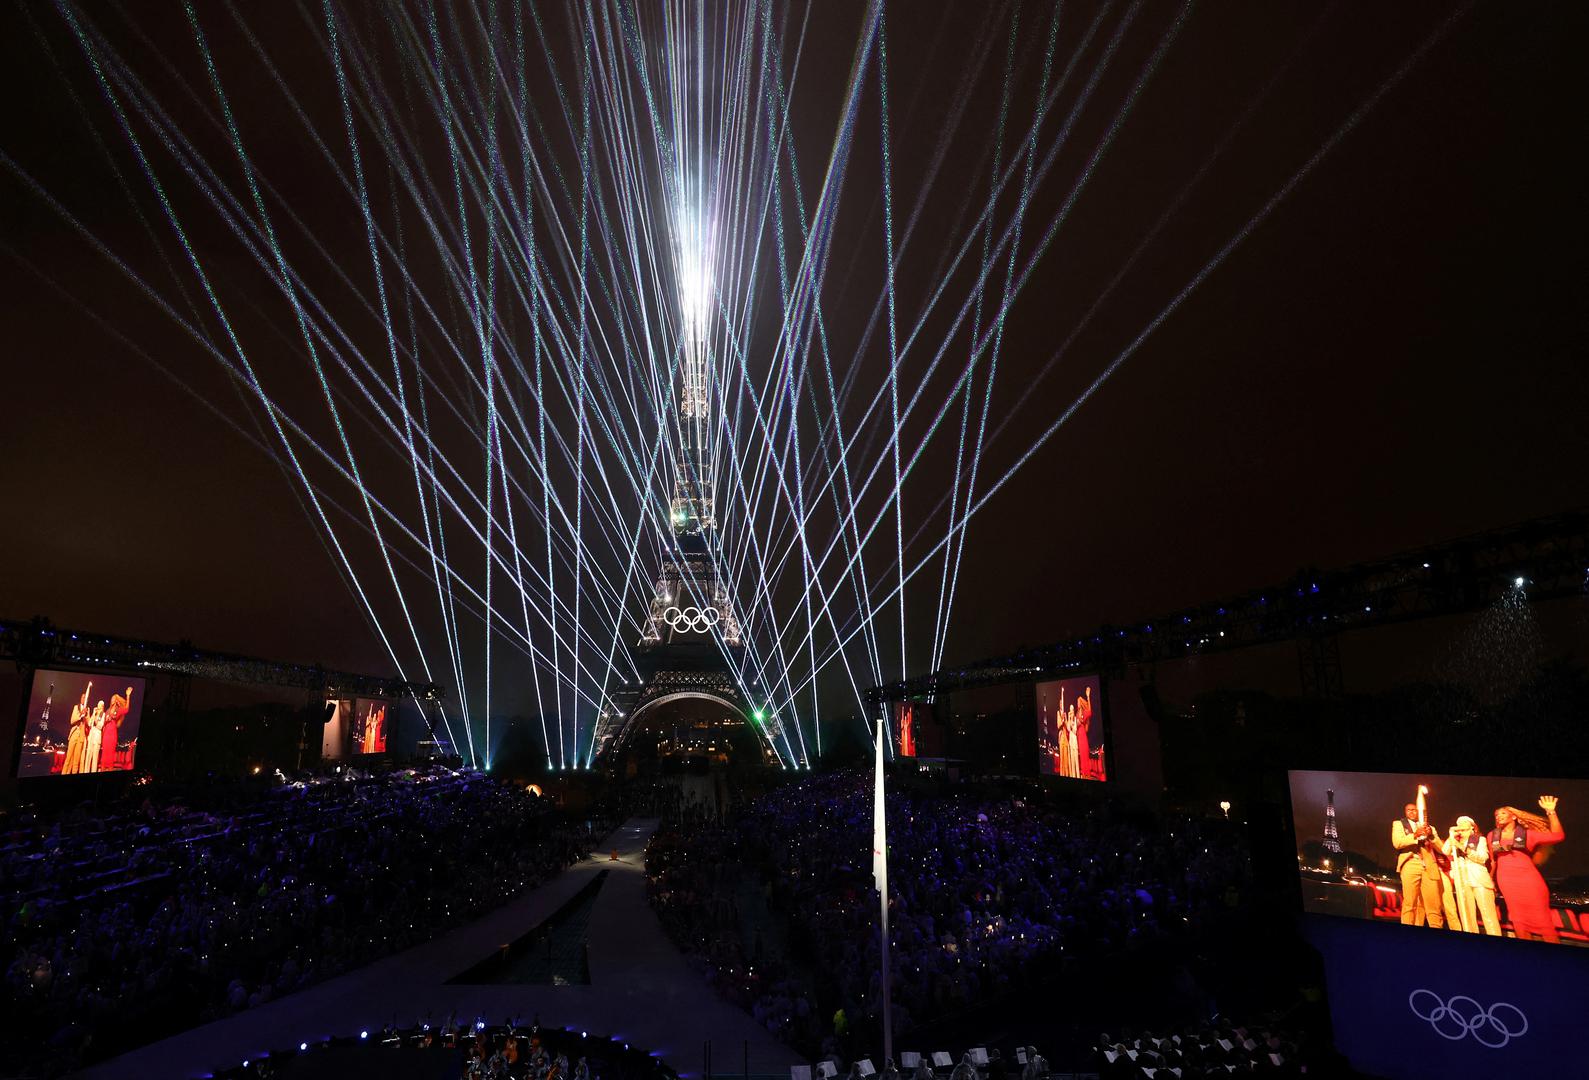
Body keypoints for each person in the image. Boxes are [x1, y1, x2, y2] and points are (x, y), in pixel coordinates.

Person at [1489, 796, 1565, 942]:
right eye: (1496, 815)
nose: (1498, 816)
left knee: (1544, 922)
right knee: (1518, 920)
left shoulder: (1527, 835)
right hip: (1506, 882)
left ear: (1513, 817)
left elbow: (1558, 836)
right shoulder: (1492, 836)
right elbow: (1493, 861)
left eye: (1503, 813)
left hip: (1529, 881)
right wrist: (1491, 880)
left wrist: (1551, 812)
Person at [1392, 801, 1445, 927]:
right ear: (1405, 812)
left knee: (1434, 905)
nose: (1411, 812)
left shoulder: (1429, 828)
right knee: (1410, 903)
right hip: (1411, 862)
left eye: (1414, 810)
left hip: (1429, 865)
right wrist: (1414, 835)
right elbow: (1397, 843)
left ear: (1420, 812)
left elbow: (1442, 849)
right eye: (1408, 810)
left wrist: (1431, 836)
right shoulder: (1399, 824)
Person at [1444, 815, 1500, 935]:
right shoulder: (1454, 842)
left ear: (1472, 828)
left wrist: (1463, 848)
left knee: (1488, 914)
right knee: (1467, 915)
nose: (1461, 829)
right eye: (1459, 827)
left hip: (1479, 880)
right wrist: (1451, 837)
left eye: (1464, 827)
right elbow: (1445, 851)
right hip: (1462, 881)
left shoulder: (1480, 840)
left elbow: (1482, 858)